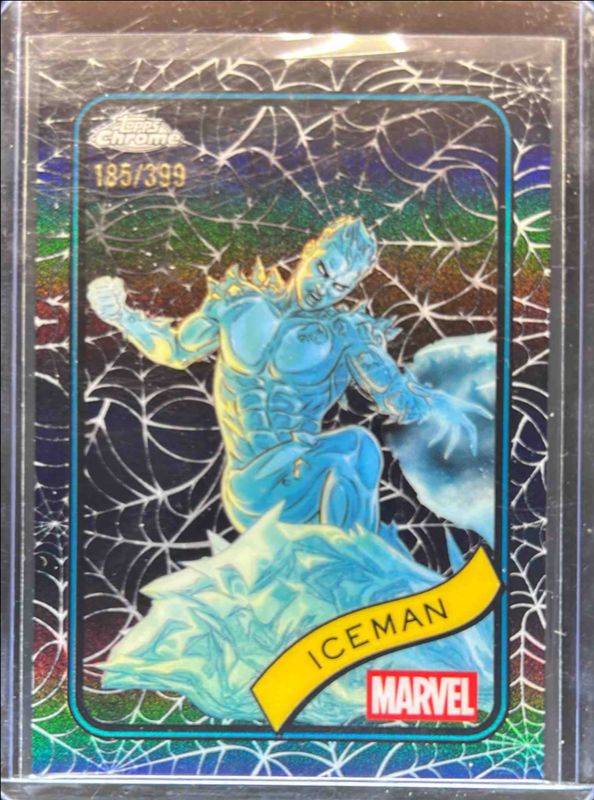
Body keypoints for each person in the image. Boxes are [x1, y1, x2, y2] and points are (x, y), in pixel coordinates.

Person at [88, 216, 488, 536]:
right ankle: (353, 566)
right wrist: (123, 316)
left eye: (339, 285)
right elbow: (175, 350)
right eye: (322, 270)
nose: (322, 288)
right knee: (352, 450)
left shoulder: (344, 336)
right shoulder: (238, 304)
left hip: (302, 480)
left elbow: (396, 395)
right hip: (247, 486)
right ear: (310, 251)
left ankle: (356, 563)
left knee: (357, 447)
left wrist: (440, 403)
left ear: (352, 287)